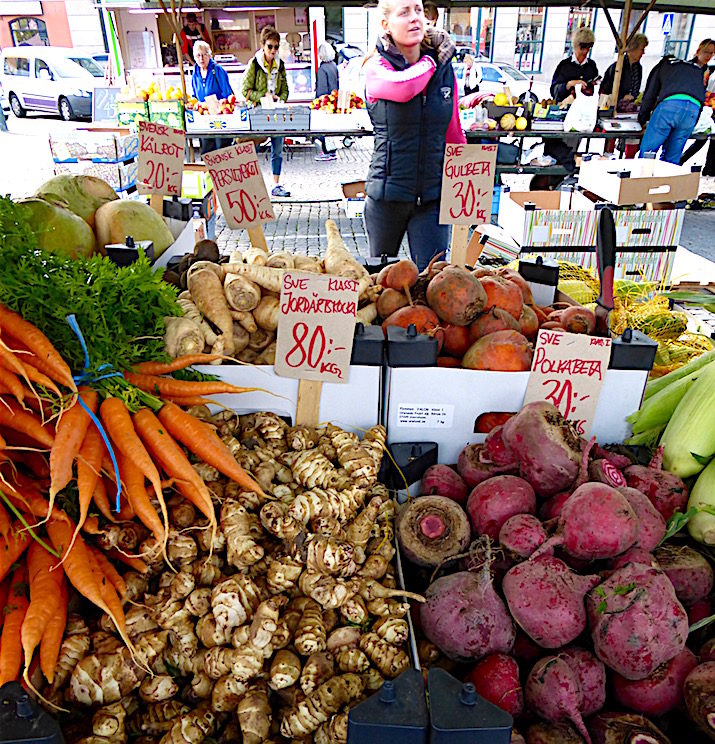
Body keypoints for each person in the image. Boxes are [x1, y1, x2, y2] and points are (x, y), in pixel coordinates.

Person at [363, 0, 466, 271]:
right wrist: (432, 60)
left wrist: (468, 183)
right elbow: (404, 87)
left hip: (431, 200)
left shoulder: (445, 71)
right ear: (386, 24)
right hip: (387, 198)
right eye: (404, 12)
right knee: (382, 285)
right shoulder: (376, 67)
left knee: (435, 282)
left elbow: (454, 131)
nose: (414, 18)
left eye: (418, 10)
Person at [638, 41, 712, 164]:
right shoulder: (697, 71)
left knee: (648, 154)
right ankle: (668, 181)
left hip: (670, 107)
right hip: (692, 111)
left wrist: (642, 119)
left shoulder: (662, 66)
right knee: (672, 159)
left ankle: (643, 181)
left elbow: (649, 95)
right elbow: (700, 99)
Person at [243, 27, 291, 198]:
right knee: (252, 148)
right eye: (270, 46)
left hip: (276, 113)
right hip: (259, 112)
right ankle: (252, 186)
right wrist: (262, 96)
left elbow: (285, 89)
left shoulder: (281, 65)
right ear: (263, 45)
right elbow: (245, 91)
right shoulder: (254, 64)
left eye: (276, 47)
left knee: (277, 148)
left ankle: (276, 184)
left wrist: (280, 98)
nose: (273, 51)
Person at [543, 27, 599, 174]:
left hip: (582, 115)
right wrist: (570, 84)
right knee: (559, 149)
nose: (585, 51)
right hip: (563, 113)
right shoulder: (564, 65)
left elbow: (594, 89)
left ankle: (567, 175)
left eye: (589, 47)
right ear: (575, 45)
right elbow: (553, 89)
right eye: (583, 47)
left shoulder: (592, 66)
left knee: (573, 146)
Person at [191, 41, 234, 156]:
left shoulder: (217, 70)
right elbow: (195, 95)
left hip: (220, 117)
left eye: (204, 54)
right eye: (198, 55)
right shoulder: (195, 73)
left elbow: (228, 93)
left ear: (209, 55)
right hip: (204, 118)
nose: (201, 58)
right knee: (207, 151)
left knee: (222, 150)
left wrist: (222, 103)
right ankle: (208, 173)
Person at [601, 33, 648, 105]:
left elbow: (636, 90)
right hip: (614, 105)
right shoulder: (617, 67)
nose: (643, 53)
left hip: (630, 107)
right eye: (642, 49)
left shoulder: (638, 68)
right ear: (633, 48)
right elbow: (605, 91)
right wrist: (622, 97)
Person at [314, 41, 339, 161]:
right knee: (331, 128)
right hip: (334, 99)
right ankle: (332, 151)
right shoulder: (333, 66)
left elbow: (322, 90)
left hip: (326, 102)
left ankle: (327, 151)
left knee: (323, 128)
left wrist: (317, 103)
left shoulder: (322, 69)